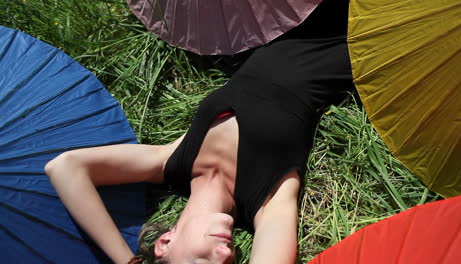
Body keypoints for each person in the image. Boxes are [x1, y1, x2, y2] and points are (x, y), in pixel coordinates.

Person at [45, 1, 353, 263]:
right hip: (353, 36)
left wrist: (127, 261)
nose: (224, 256)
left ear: (165, 243)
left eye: (201, 262)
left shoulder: (172, 163)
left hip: (282, 18)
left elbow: (65, 167)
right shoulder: (266, 203)